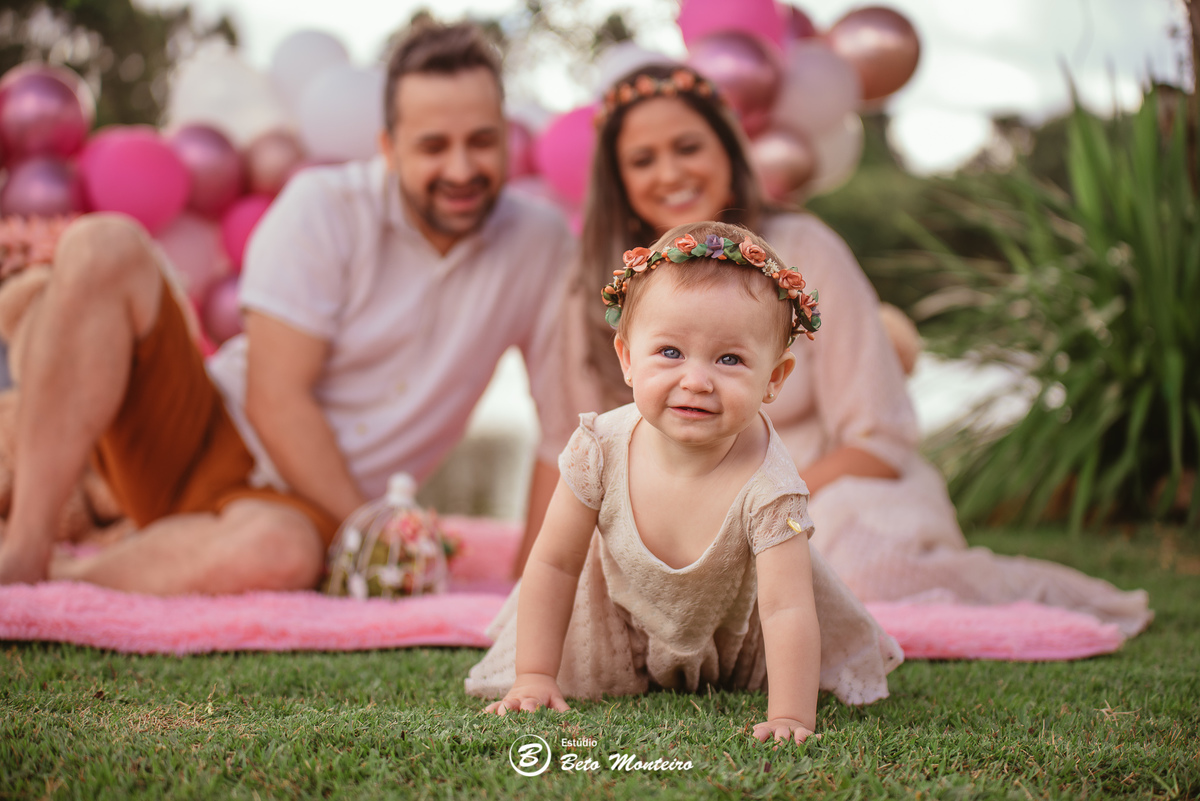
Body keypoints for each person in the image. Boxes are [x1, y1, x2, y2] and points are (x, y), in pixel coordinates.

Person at [516, 63, 1151, 637]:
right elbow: (565, 443)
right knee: (594, 571)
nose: (671, 172)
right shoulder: (595, 281)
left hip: (822, 486)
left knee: (858, 565)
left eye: (688, 147)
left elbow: (879, 438)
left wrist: (754, 505)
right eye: (643, 159)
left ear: (727, 152)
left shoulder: (805, 248)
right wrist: (525, 570)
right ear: (618, 179)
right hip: (671, 501)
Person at [0, 20, 575, 594]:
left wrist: (529, 584)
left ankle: (68, 575)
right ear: (389, 149)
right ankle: (25, 549)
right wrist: (371, 526)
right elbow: (275, 400)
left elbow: (560, 427)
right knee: (105, 244)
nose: (461, 169)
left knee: (280, 552)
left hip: (304, 511)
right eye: (433, 146)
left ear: (505, 136)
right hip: (206, 430)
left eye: (481, 141)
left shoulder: (543, 245)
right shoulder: (323, 206)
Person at [467, 222, 902, 743]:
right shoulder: (599, 448)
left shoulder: (770, 486)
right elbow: (554, 563)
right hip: (617, 627)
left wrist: (789, 716)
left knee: (786, 611)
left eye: (730, 359)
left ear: (774, 379)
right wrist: (535, 675)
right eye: (670, 352)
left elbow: (787, 606)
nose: (696, 380)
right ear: (627, 358)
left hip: (736, 644)